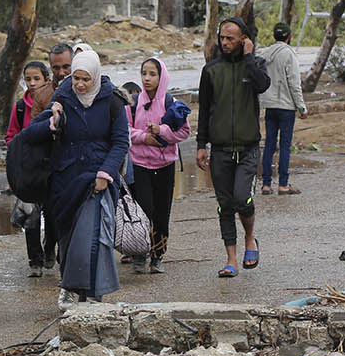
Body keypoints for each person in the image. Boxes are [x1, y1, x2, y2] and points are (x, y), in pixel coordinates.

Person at [20, 50, 129, 306]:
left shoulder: (112, 101)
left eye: (85, 79)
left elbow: (121, 142)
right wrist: (52, 121)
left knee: (92, 239)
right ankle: (69, 286)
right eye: (76, 78)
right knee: (68, 239)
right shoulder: (64, 96)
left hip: (98, 180)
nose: (80, 84)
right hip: (66, 180)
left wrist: (106, 173)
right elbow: (31, 133)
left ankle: (93, 294)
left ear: (96, 77)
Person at [195, 17, 270, 278]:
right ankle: (231, 260)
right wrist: (200, 144)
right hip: (220, 150)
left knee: (242, 198)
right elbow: (204, 110)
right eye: (222, 38)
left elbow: (263, 85)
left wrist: (249, 58)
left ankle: (250, 238)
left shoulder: (256, 65)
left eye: (231, 38)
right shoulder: (211, 70)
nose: (225, 43)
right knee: (225, 204)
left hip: (248, 148)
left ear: (243, 40)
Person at [128, 57, 191, 274]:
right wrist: (143, 137)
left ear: (161, 76)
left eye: (152, 74)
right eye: (144, 73)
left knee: (162, 212)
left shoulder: (171, 104)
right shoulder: (133, 103)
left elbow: (184, 132)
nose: (147, 78)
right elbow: (123, 130)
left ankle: (157, 255)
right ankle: (138, 253)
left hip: (165, 166)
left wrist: (161, 130)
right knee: (142, 209)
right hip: (140, 164)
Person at [5, 61, 56, 276]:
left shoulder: (53, 102)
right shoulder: (19, 107)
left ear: (46, 79)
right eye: (28, 79)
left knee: (53, 215)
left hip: (50, 169)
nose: (32, 83)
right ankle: (34, 260)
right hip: (29, 171)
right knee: (31, 216)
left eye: (37, 78)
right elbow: (10, 136)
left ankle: (50, 246)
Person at [259, 22, 309, 195]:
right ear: (290, 36)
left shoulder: (265, 53)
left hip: (269, 105)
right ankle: (283, 184)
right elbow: (294, 83)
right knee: (285, 146)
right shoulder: (289, 54)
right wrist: (301, 107)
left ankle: (266, 184)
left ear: (274, 36)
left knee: (269, 145)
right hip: (286, 107)